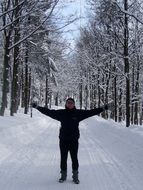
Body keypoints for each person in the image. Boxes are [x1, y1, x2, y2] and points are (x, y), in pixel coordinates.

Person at [32, 98, 110, 184]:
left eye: (71, 103)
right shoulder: (61, 113)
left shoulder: (78, 113)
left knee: (74, 158)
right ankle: (63, 176)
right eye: (68, 103)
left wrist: (102, 108)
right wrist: (37, 107)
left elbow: (90, 112)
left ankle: (75, 177)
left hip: (74, 141)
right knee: (63, 158)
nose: (70, 104)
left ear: (74, 104)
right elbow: (49, 112)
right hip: (63, 140)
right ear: (66, 104)